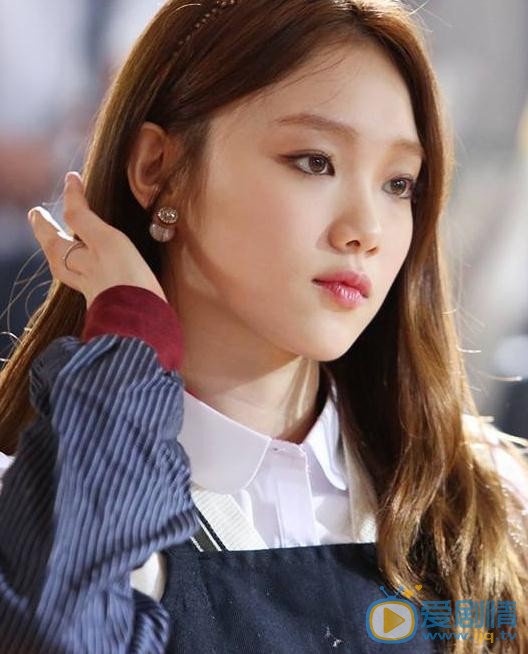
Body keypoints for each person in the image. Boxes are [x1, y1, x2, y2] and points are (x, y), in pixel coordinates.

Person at [0, 0, 527, 652]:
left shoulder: (484, 502)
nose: (366, 229)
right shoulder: (40, 512)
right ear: (157, 169)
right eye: (315, 161)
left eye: (399, 184)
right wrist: (133, 334)